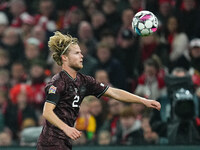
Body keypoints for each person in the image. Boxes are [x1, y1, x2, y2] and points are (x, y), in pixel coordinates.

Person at [37, 31, 161, 150]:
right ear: (64, 58)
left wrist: (143, 100)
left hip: (64, 141)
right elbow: (47, 112)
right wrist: (67, 128)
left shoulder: (85, 81)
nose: (82, 56)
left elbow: (113, 92)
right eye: (76, 53)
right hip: (50, 142)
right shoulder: (58, 82)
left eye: (81, 52)